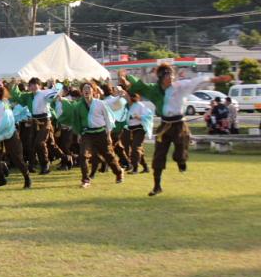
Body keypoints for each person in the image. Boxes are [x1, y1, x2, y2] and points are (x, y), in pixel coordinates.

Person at [120, 65, 228, 196]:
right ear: (160, 78)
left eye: (171, 75)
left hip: (179, 125)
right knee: (158, 156)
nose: (170, 77)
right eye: (166, 75)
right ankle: (157, 186)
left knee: (179, 152)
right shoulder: (153, 90)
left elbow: (197, 81)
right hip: (164, 126)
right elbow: (138, 86)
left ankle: (181, 161)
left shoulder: (181, 86)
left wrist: (216, 79)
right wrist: (124, 79)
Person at [57, 82, 124, 188]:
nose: (86, 90)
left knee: (108, 155)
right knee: (83, 156)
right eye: (84, 88)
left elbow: (107, 119)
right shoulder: (79, 105)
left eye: (89, 88)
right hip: (87, 134)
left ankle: (119, 173)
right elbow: (76, 118)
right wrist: (79, 134)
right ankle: (85, 180)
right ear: (82, 91)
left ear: (93, 91)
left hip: (101, 133)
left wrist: (108, 135)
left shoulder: (100, 103)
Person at [9, 78, 62, 175]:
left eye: (34, 84)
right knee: (45, 144)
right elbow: (18, 96)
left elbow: (53, 95)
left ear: (40, 85)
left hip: (45, 121)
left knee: (40, 143)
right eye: (30, 85)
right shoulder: (28, 96)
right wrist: (14, 85)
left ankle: (45, 165)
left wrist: (54, 86)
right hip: (34, 121)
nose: (32, 87)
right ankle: (66, 158)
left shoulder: (44, 93)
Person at [0, 86, 32, 189]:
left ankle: (27, 178)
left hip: (10, 134)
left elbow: (5, 120)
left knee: (17, 159)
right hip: (0, 135)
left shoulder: (4, 105)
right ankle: (2, 178)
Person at [125, 92, 154, 174]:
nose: (127, 99)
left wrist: (139, 117)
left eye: (128, 98)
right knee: (138, 149)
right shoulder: (131, 106)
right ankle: (146, 167)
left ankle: (135, 168)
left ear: (132, 98)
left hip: (140, 129)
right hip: (133, 130)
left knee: (135, 147)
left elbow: (149, 115)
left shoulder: (140, 105)